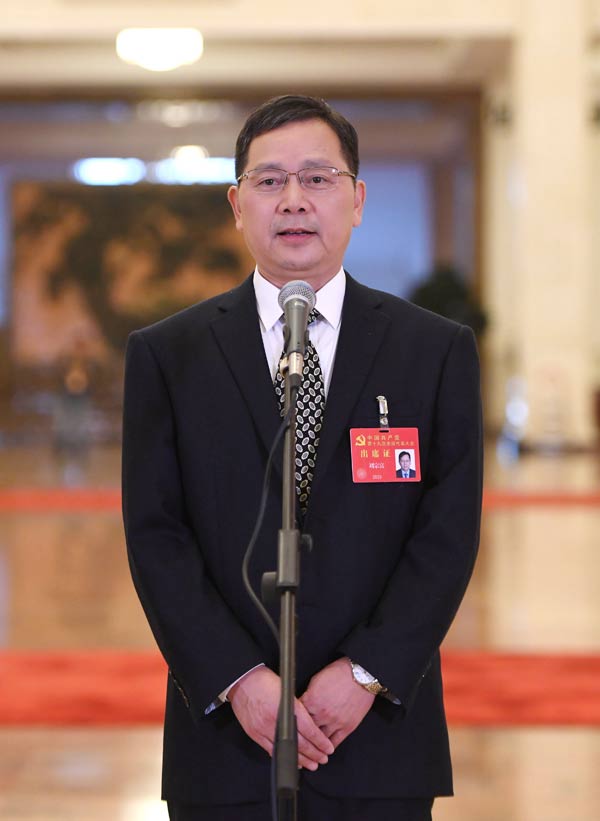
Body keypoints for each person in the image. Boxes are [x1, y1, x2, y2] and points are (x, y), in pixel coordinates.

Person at [122, 94, 483, 821]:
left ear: (357, 200)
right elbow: (157, 535)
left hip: (379, 734)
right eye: (269, 181)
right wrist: (238, 679)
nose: (293, 200)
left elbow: (446, 534)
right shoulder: (169, 355)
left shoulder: (434, 351)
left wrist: (366, 672)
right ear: (237, 205)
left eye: (318, 178)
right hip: (226, 738)